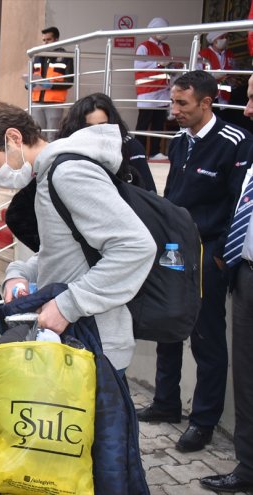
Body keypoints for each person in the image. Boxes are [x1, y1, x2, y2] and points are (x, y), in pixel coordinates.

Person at [0, 98, 155, 373]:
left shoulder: (68, 172)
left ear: (13, 138)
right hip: (81, 341)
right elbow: (67, 249)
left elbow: (135, 247)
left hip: (95, 346)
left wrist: (67, 305)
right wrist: (20, 272)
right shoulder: (49, 175)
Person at [136, 70, 252, 453]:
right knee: (167, 325)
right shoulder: (181, 141)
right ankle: (167, 403)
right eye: (172, 102)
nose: (173, 111)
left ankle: (203, 421)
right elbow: (173, 197)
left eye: (181, 104)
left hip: (209, 255)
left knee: (206, 339)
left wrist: (220, 257)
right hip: (175, 251)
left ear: (206, 103)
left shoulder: (236, 142)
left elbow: (240, 205)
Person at [199, 74, 253, 493]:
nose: (247, 109)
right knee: (247, 376)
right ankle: (248, 468)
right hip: (246, 272)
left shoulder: (235, 141)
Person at [57, 92, 157, 192]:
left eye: (102, 126)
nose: (96, 131)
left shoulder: (131, 147)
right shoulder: (69, 149)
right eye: (88, 127)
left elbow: (150, 193)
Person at [134, 17, 174, 160]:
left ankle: (154, 152)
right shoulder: (144, 46)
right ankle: (139, 153)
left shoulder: (166, 47)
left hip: (162, 90)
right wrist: (157, 63)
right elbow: (138, 66)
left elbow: (167, 65)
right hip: (148, 90)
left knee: (159, 122)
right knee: (143, 124)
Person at [28, 26, 74, 142]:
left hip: (54, 103)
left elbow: (69, 82)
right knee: (37, 136)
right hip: (36, 102)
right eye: (43, 40)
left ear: (56, 39)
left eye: (48, 40)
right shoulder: (38, 56)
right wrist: (28, 83)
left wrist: (51, 85)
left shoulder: (65, 57)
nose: (45, 43)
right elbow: (33, 75)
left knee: (52, 137)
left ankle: (51, 160)